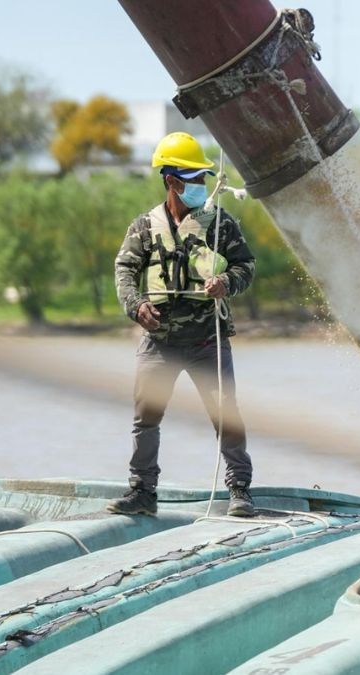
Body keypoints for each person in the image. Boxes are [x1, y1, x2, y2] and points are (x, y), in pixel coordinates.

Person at [107, 132, 257, 517]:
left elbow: (246, 265)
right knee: (145, 419)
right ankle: (142, 492)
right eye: (194, 178)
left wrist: (226, 283)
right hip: (159, 343)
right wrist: (136, 306)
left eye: (204, 177)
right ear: (172, 181)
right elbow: (125, 270)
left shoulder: (220, 224)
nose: (202, 185)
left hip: (208, 340)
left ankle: (240, 490)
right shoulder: (144, 227)